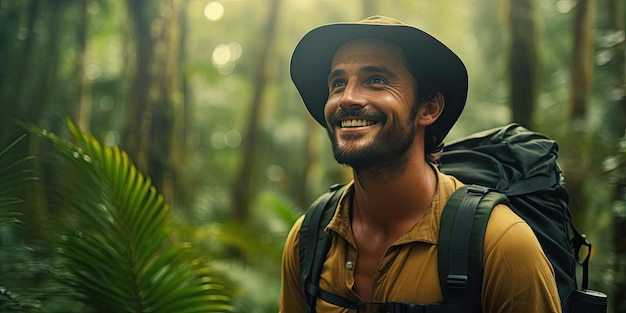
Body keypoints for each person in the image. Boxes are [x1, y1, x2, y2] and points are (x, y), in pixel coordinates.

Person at [280, 15, 561, 313]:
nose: (346, 98)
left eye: (375, 80)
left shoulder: (501, 244)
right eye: (337, 83)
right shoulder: (309, 239)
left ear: (428, 108)